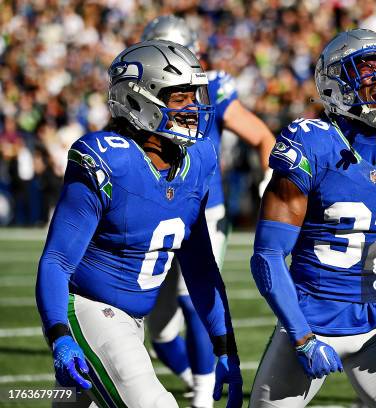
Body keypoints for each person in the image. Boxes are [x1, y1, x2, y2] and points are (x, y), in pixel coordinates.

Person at [35, 40, 243, 408]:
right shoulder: (105, 159)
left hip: (132, 321)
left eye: (194, 96)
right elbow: (57, 261)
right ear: (137, 100)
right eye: (179, 98)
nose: (193, 108)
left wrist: (224, 343)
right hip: (87, 311)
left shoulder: (198, 160)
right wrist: (59, 335)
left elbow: (199, 264)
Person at [249, 29, 376, 407]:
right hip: (313, 324)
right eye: (368, 70)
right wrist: (302, 337)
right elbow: (268, 256)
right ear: (335, 84)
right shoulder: (311, 142)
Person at [140, 15, 275, 408]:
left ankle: (203, 397)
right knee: (161, 333)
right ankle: (199, 380)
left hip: (203, 212)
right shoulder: (139, 92)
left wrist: (268, 186)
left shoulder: (211, 89)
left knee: (192, 298)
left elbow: (262, 136)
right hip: (158, 209)